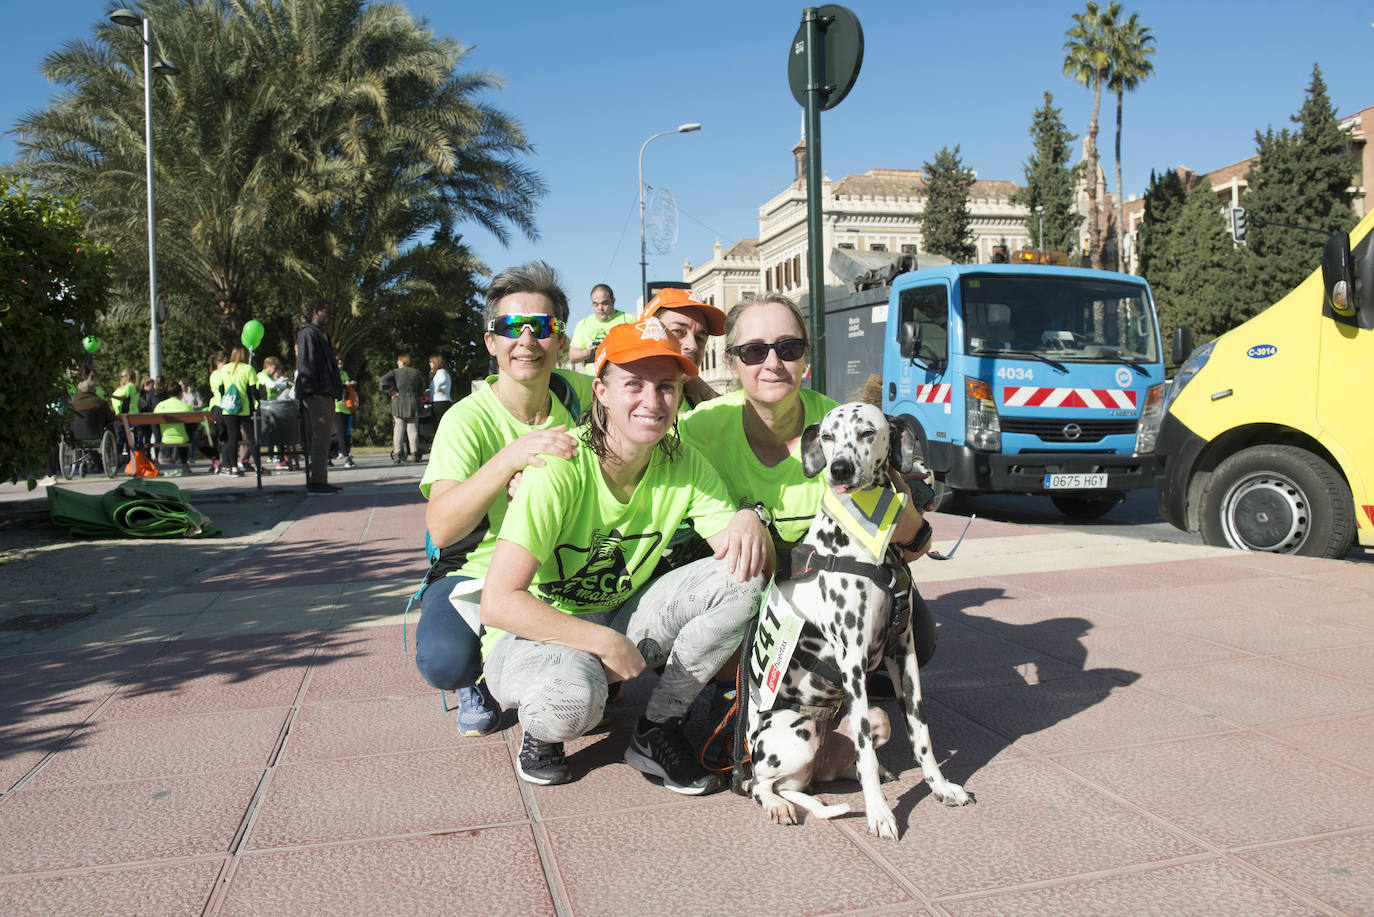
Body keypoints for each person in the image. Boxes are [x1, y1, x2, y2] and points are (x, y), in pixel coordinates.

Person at [480, 317, 770, 793]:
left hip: (618, 617)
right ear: (602, 391)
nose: (652, 402)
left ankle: (657, 730)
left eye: (666, 386)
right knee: (572, 703)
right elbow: (500, 602)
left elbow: (733, 564)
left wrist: (747, 518)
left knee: (742, 577)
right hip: (530, 636)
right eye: (633, 384)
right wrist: (604, 644)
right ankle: (542, 730)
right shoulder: (559, 469)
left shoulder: (684, 463)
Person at [679, 293, 938, 669]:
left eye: (789, 348)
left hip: (822, 594)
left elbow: (912, 547)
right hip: (742, 595)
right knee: (734, 580)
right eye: (753, 351)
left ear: (806, 357)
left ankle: (832, 690)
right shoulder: (699, 428)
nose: (773, 363)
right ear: (732, 364)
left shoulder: (843, 428)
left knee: (918, 634)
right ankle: (732, 687)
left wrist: (912, 527)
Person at [417, 260, 589, 738]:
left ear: (559, 339)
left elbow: (652, 407)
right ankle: (475, 679)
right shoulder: (466, 420)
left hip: (560, 563)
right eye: (512, 326)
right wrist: (509, 458)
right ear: (491, 340)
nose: (527, 340)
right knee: (443, 661)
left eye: (542, 326)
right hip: (480, 569)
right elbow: (443, 528)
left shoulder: (585, 396)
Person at [639, 287, 726, 410]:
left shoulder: (710, 409)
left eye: (700, 338)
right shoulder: (615, 401)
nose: (693, 345)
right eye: (678, 332)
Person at [295, 299, 343, 495]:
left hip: (326, 391)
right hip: (317, 393)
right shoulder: (308, 333)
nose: (330, 316)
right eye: (327, 312)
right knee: (320, 436)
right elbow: (306, 363)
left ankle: (321, 478)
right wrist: (310, 390)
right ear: (316, 312)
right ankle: (316, 481)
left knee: (325, 437)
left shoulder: (322, 335)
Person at [568, 283, 633, 372]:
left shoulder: (628, 320)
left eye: (604, 303)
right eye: (596, 304)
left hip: (620, 378)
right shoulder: (583, 324)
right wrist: (587, 352)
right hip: (592, 381)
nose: (600, 308)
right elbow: (572, 356)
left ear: (613, 301)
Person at [214, 346, 258, 476]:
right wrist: (254, 405)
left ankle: (233, 467)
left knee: (232, 438)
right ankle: (258, 466)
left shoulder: (225, 369)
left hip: (229, 408)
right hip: (244, 408)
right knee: (252, 438)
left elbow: (221, 388)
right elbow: (252, 390)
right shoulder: (248, 369)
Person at [380, 354, 426, 464]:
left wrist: (392, 391)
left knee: (398, 429)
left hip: (398, 402)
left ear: (402, 362)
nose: (397, 363)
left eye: (398, 361)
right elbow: (421, 389)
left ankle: (397, 454)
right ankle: (414, 453)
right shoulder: (416, 373)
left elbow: (383, 380)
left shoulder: (395, 372)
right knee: (413, 429)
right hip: (412, 402)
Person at [154, 379, 195, 475]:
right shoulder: (186, 407)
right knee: (188, 431)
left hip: (165, 438)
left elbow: (155, 426)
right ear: (180, 392)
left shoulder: (160, 406)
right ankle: (184, 464)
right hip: (182, 438)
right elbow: (193, 426)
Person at [333, 355, 356, 469]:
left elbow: (347, 385)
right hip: (337, 407)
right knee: (340, 433)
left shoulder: (344, 374)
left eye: (341, 361)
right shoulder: (332, 374)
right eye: (337, 361)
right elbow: (335, 386)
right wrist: (344, 384)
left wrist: (350, 384)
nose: (340, 363)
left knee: (345, 434)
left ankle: (344, 452)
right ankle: (345, 455)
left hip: (346, 407)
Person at [428, 354, 453, 424]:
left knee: (439, 424)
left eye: (431, 362)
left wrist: (436, 389)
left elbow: (442, 379)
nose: (429, 364)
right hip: (441, 401)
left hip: (439, 402)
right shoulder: (441, 372)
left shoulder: (441, 372)